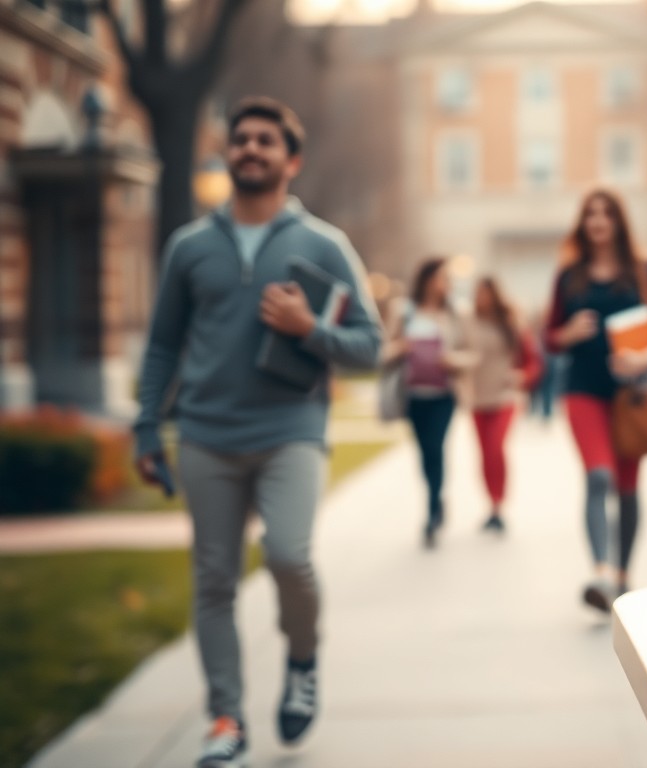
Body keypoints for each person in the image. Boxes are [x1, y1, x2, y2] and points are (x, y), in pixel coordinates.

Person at [132, 97, 382, 768]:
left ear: (290, 160)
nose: (249, 149)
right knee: (212, 580)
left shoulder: (324, 245)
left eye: (265, 142)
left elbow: (371, 346)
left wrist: (312, 331)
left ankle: (302, 658)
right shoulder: (189, 247)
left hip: (290, 431)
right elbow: (161, 349)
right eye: (240, 140)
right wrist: (146, 429)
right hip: (206, 437)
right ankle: (225, 719)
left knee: (289, 557)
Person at [544, 189, 647, 612]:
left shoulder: (646, 271)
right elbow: (548, 336)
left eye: (606, 214)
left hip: (632, 395)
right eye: (590, 214)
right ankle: (601, 573)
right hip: (583, 390)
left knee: (626, 487)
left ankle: (623, 574)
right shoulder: (569, 276)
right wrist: (566, 335)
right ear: (582, 223)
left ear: (619, 221)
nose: (598, 221)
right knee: (597, 476)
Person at [383, 257, 477, 548]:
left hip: (444, 394)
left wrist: (452, 360)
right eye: (440, 278)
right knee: (424, 453)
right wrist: (400, 348)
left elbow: (472, 353)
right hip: (413, 395)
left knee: (436, 448)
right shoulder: (404, 311)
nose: (445, 284)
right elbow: (383, 350)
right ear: (425, 279)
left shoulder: (455, 314)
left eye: (448, 279)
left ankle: (433, 511)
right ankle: (434, 497)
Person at [467, 277, 540, 532]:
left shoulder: (512, 323)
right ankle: (491, 505)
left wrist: (524, 376)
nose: (481, 299)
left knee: (496, 447)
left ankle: (500, 503)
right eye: (478, 293)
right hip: (477, 397)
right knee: (485, 453)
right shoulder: (469, 323)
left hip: (505, 396)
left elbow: (533, 362)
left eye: (485, 293)